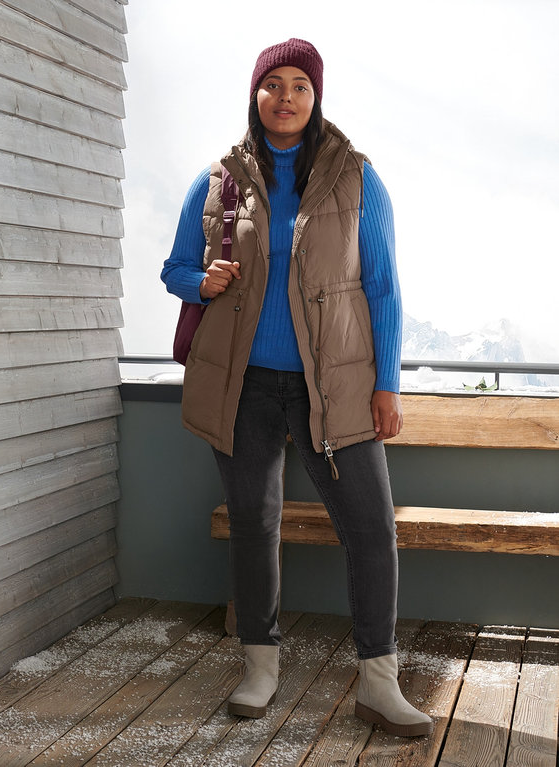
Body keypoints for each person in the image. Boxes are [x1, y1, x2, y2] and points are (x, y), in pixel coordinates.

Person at [160, 38, 432, 738]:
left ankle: (378, 682)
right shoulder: (217, 179)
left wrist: (388, 386)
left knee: (371, 528)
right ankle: (260, 666)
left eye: (300, 86)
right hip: (244, 385)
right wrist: (202, 281)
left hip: (334, 387)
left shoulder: (358, 179)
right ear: (255, 93)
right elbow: (176, 268)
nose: (286, 97)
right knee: (254, 523)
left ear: (316, 97)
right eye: (273, 84)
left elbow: (383, 289)